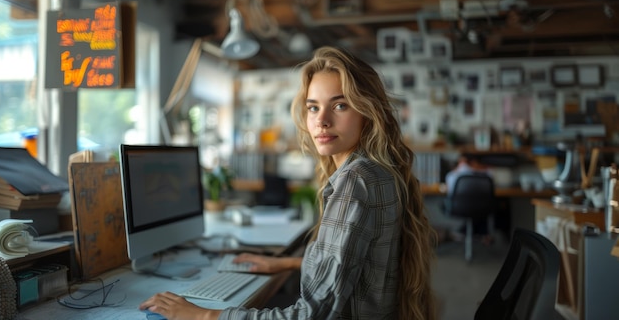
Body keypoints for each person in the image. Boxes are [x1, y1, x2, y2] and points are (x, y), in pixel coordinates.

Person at [140, 46, 437, 320]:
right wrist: (287, 264)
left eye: (340, 106)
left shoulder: (356, 181)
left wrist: (201, 316)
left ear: (367, 112)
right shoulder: (376, 172)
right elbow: (354, 263)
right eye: (313, 107)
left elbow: (310, 316)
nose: (321, 121)